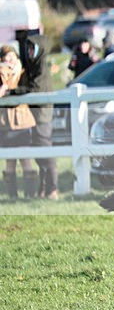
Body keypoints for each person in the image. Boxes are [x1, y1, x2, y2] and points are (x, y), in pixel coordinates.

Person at [7, 29, 59, 199]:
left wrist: (12, 92)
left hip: (42, 115)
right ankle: (43, 189)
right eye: (28, 49)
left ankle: (52, 189)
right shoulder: (34, 66)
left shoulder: (41, 68)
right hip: (35, 115)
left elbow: (34, 90)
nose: (29, 52)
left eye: (32, 49)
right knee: (39, 153)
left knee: (45, 150)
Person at [0, 45, 38, 199]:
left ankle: (30, 195)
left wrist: (8, 91)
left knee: (25, 158)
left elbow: (26, 88)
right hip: (4, 121)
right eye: (5, 57)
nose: (9, 60)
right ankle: (12, 196)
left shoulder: (22, 71)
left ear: (16, 57)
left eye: (11, 56)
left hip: (22, 119)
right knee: (9, 161)